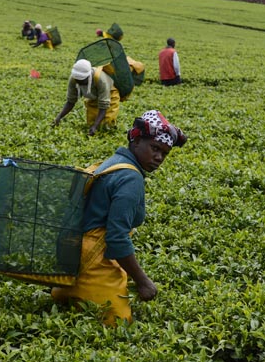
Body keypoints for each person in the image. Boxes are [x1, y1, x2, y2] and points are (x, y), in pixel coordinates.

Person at [51, 110, 187, 325]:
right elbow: (116, 238)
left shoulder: (113, 162)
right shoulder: (130, 178)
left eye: (164, 153)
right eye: (155, 148)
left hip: (74, 254)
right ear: (136, 141)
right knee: (119, 322)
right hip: (93, 261)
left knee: (71, 304)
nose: (159, 158)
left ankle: (66, 293)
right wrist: (143, 282)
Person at [53, 59, 119, 135]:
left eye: (81, 80)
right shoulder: (74, 79)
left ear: (88, 76)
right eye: (77, 80)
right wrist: (59, 117)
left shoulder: (101, 79)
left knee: (107, 124)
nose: (79, 82)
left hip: (110, 94)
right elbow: (71, 101)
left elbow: (103, 106)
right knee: (91, 122)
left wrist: (95, 126)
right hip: (93, 96)